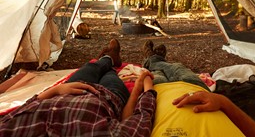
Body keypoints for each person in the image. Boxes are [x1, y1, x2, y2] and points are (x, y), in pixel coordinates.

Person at [0, 39, 157, 137]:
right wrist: (141, 88)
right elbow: (141, 118)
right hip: (110, 96)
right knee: (109, 74)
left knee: (92, 67)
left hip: (69, 90)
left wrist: (54, 91)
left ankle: (107, 58)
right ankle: (111, 59)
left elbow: (20, 111)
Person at [142, 40, 255, 137]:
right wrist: (223, 102)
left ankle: (151, 59)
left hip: (157, 91)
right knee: (177, 66)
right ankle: (155, 59)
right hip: (194, 86)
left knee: (154, 71)